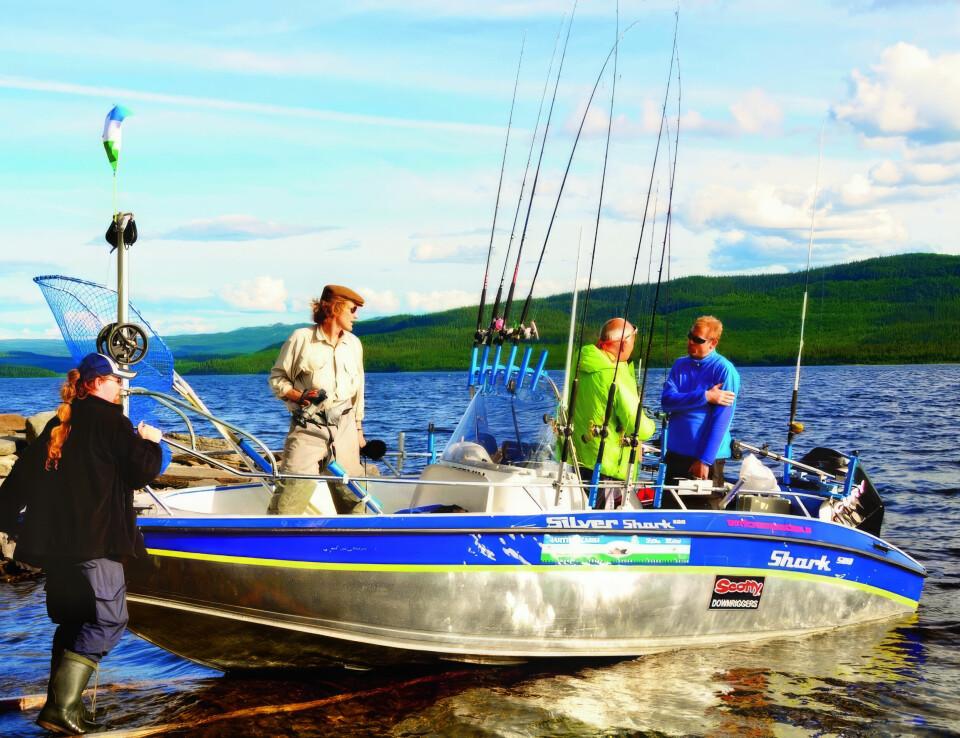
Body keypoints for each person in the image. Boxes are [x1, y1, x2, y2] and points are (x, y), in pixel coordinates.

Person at [0, 352, 163, 735]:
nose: (122, 385)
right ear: (94, 383)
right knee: (109, 620)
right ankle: (60, 709)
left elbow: (21, 476)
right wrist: (150, 442)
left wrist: (8, 523)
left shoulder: (63, 421)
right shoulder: (112, 421)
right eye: (116, 379)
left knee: (74, 621)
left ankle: (68, 709)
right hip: (95, 545)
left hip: (59, 549)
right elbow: (142, 471)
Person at [268, 285, 368, 514]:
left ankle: (354, 545)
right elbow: (277, 378)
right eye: (352, 309)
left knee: (354, 502)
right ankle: (276, 543)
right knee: (288, 503)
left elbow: (358, 392)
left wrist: (359, 431)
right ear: (334, 308)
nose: (356, 315)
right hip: (308, 428)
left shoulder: (354, 344)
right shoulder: (300, 338)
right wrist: (299, 395)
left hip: (346, 429)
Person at [569, 318, 656, 509]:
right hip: (607, 466)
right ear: (624, 343)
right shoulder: (613, 373)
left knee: (582, 511)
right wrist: (652, 426)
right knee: (601, 519)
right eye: (633, 339)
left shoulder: (579, 363)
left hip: (579, 461)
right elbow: (639, 427)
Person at [660, 315, 740, 491]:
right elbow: (667, 402)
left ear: (713, 343)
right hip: (675, 454)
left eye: (697, 340)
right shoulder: (679, 365)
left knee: (704, 511)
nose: (690, 342)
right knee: (670, 510)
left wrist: (704, 460)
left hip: (705, 459)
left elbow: (721, 420)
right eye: (690, 336)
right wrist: (705, 397)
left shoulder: (725, 370)